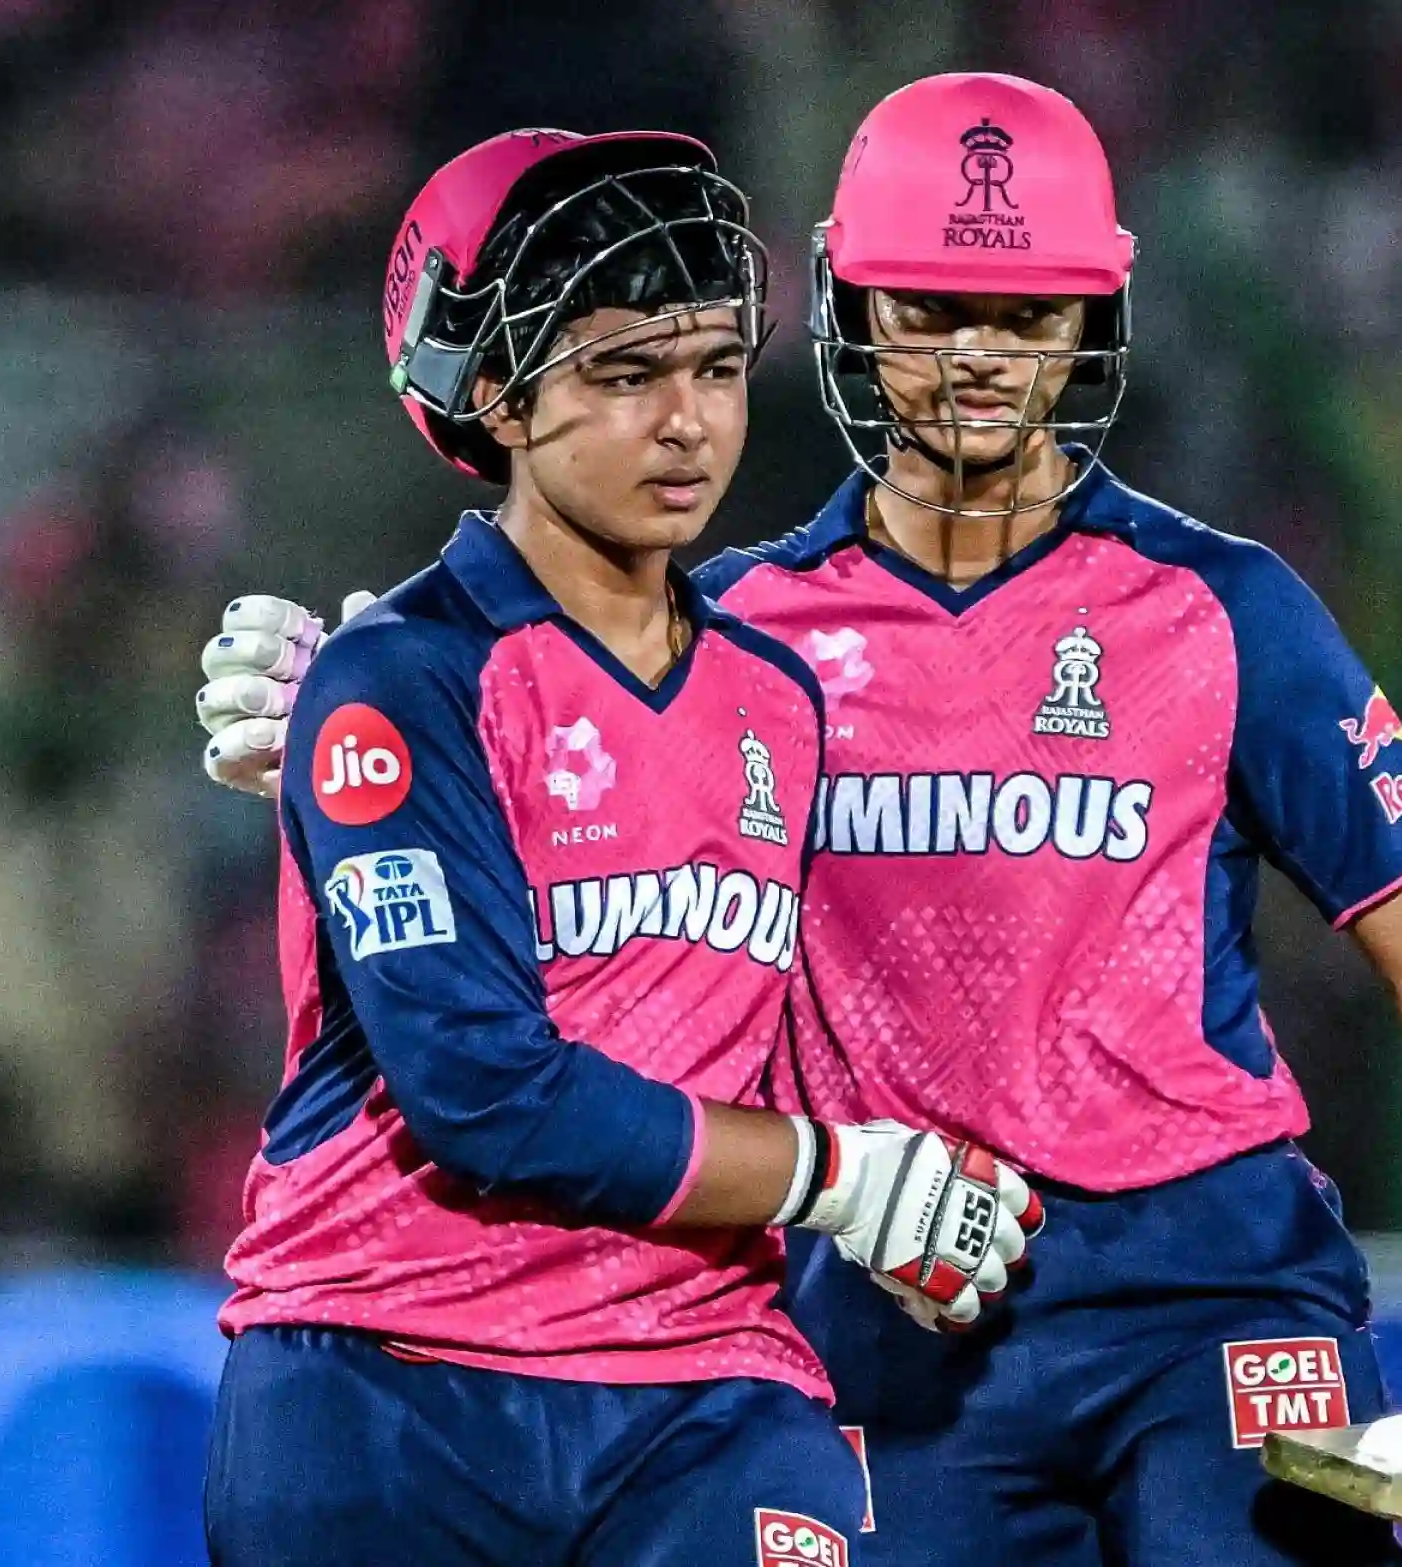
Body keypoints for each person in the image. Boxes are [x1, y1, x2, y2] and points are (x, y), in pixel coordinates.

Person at [197, 78, 1402, 1567]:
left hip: (1213, 1284)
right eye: (933, 309)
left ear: (1094, 322)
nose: (981, 356)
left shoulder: (1227, 613)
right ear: (852, 308)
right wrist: (356, 722)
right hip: (899, 1298)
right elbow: (543, 794)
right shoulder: (740, 641)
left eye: (1030, 313)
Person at [200, 127, 1041, 1567]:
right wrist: (843, 1178)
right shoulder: (402, 679)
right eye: (626, 371)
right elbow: (481, 1089)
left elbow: (761, 1034)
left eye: (714, 366)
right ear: (497, 393)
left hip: (704, 1393)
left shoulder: (777, 701)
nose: (689, 423)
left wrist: (920, 1184)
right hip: (388, 1372)